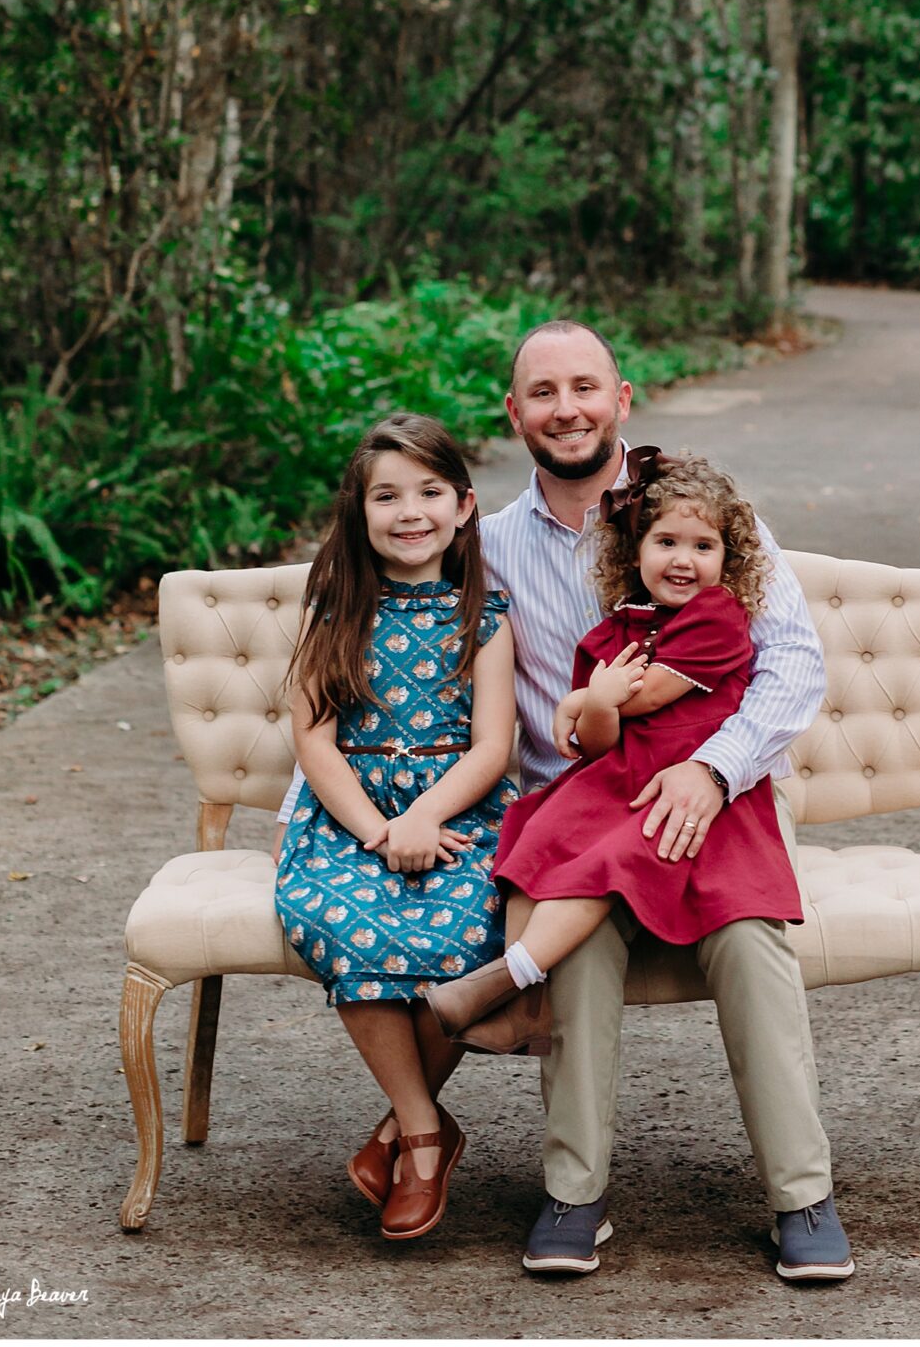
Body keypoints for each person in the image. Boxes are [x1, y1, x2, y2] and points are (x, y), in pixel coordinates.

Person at [275, 319, 851, 1282]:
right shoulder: (484, 547)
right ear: (515, 415)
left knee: (749, 940)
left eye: (586, 387)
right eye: (542, 393)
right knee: (574, 952)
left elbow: (792, 664)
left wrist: (713, 770)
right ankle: (572, 1193)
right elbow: (380, 635)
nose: (566, 408)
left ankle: (804, 1196)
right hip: (578, 805)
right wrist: (346, 812)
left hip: (718, 787)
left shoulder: (699, 522)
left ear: (622, 400)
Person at [422, 452, 806, 1050]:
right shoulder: (623, 624)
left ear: (729, 560)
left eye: (703, 547)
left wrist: (584, 700)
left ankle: (509, 976)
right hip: (612, 774)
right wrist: (591, 708)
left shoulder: (717, 619)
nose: (683, 559)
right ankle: (530, 1005)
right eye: (667, 542)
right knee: (532, 837)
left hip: (665, 782)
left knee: (602, 865)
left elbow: (646, 696)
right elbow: (592, 742)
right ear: (636, 551)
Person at [275, 411, 518, 1242]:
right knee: (343, 920)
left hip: (458, 813)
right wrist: (380, 831)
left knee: (469, 927)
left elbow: (494, 745)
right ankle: (423, 1132)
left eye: (428, 492)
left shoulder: (485, 611)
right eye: (387, 495)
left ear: (464, 507)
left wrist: (424, 815)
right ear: (360, 510)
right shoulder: (335, 602)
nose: (408, 511)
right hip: (350, 816)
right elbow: (311, 736)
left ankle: (398, 1134)